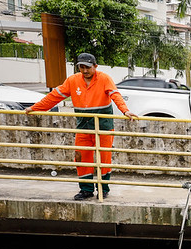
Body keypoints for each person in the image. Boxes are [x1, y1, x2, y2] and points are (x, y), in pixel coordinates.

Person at [26, 53, 137, 200]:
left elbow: (115, 94)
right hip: (83, 126)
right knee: (81, 157)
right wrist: (35, 108)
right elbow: (54, 96)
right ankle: (86, 189)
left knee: (104, 158)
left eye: (88, 67)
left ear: (95, 67)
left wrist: (125, 110)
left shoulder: (104, 79)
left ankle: (103, 189)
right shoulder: (72, 80)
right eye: (82, 67)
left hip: (102, 126)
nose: (85, 71)